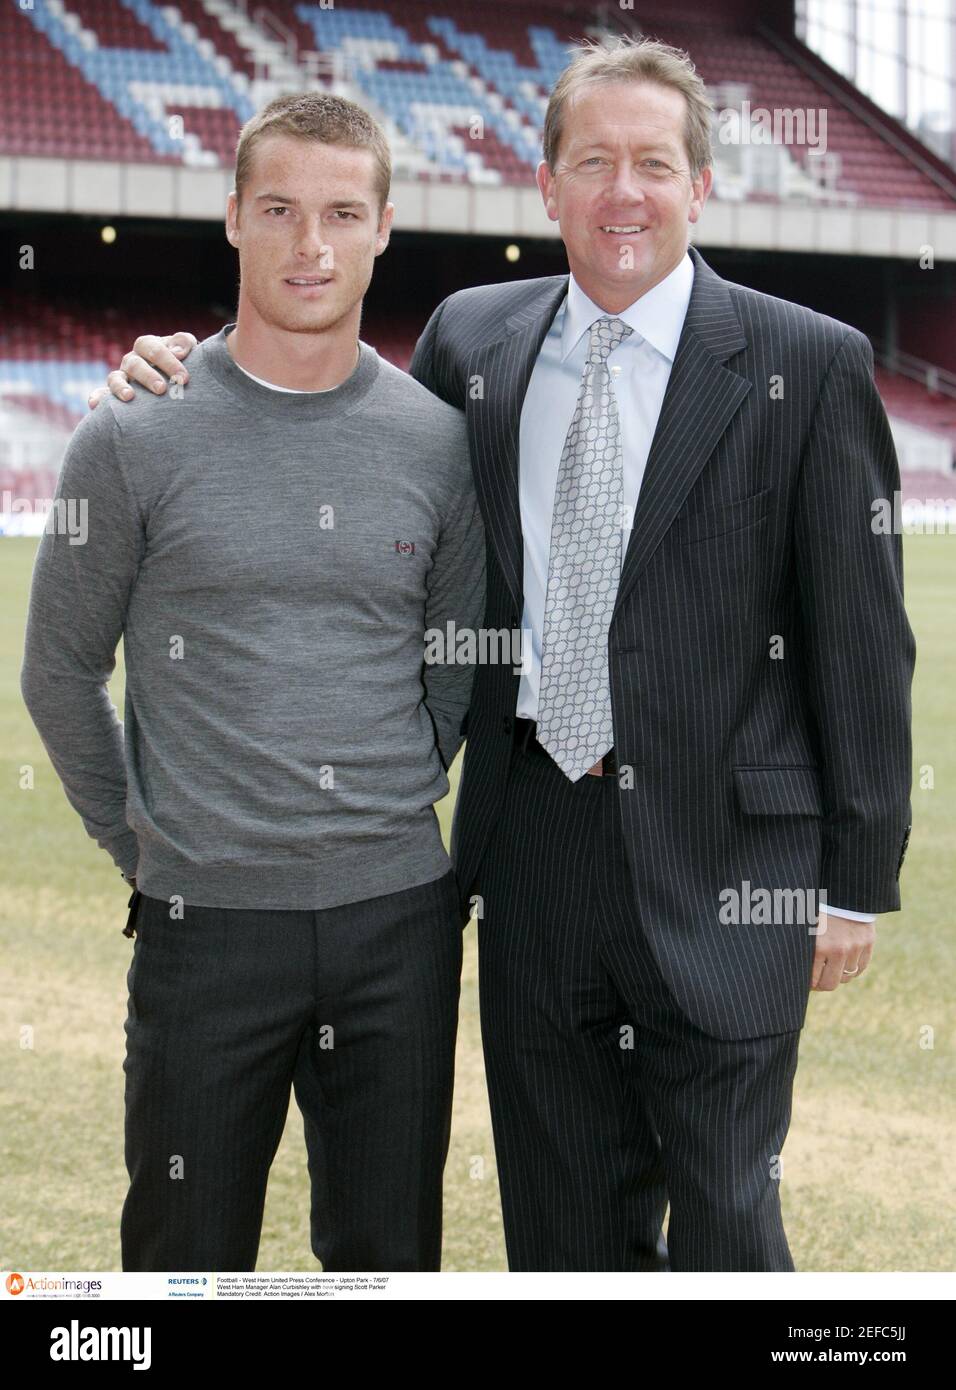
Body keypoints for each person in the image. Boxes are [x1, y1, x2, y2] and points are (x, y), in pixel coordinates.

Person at [92, 37, 915, 1272]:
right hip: (530, 847)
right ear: (544, 185)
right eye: (592, 162)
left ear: (699, 186)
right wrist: (180, 371)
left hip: (728, 860)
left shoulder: (807, 361)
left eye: (651, 163)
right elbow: (337, 435)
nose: (620, 192)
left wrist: (853, 879)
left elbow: (859, 638)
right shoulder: (476, 343)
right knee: (561, 1223)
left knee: (730, 1223)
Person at [23, 92, 485, 1273]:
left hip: (397, 923)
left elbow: (455, 660)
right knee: (184, 1253)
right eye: (278, 209)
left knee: (386, 1256)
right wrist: (147, 843)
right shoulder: (134, 431)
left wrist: (383, 799)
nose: (310, 246)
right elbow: (60, 669)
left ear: (385, 227)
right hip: (204, 924)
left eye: (341, 212)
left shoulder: (435, 441)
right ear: (231, 217)